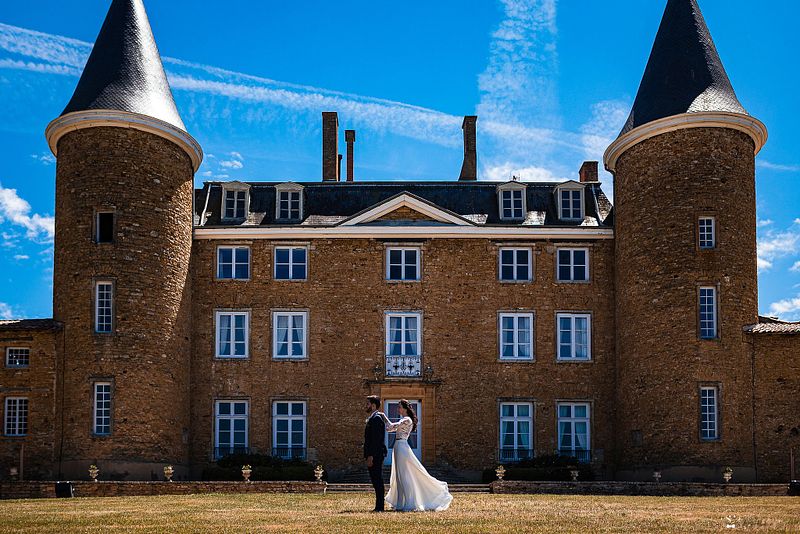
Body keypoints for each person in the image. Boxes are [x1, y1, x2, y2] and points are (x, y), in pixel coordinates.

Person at [379, 399, 452, 512]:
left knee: (404, 476)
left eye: (399, 407)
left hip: (402, 446)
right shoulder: (403, 419)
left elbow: (391, 427)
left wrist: (384, 417)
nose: (398, 409)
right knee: (399, 477)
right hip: (398, 446)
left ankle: (409, 502)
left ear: (405, 408)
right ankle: (400, 503)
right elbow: (390, 429)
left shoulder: (407, 419)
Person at [363, 395, 387, 512]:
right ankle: (378, 506)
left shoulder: (376, 419)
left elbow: (376, 440)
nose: (366, 406)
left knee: (377, 479)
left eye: (367, 404)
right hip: (374, 454)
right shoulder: (373, 418)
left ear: (373, 405)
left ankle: (380, 506)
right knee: (375, 479)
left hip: (376, 455)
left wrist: (371, 456)